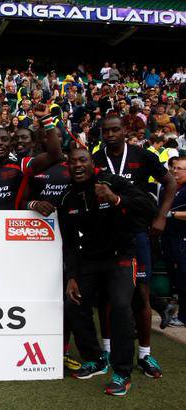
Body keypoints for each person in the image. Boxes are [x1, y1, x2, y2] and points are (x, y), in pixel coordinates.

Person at [61, 148, 157, 396]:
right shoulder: (67, 197)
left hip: (122, 256)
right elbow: (69, 242)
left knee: (121, 306)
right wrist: (71, 276)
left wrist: (115, 198)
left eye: (83, 160)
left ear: (93, 163)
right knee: (73, 304)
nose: (78, 165)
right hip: (89, 260)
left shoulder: (113, 182)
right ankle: (95, 358)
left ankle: (122, 372)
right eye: (72, 162)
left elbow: (148, 206)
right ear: (68, 166)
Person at [92, 115, 176, 379]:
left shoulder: (142, 155)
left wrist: (161, 216)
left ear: (125, 131)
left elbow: (171, 183)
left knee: (141, 294)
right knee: (106, 295)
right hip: (106, 235)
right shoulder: (96, 159)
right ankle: (106, 351)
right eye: (106, 131)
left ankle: (145, 354)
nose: (110, 135)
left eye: (115, 130)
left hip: (137, 231)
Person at [161, 157, 186, 327]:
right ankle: (175, 307)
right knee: (174, 276)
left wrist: (174, 214)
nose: (175, 171)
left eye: (180, 169)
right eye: (173, 167)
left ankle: (184, 316)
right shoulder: (168, 188)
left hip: (182, 239)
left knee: (184, 277)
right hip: (168, 237)